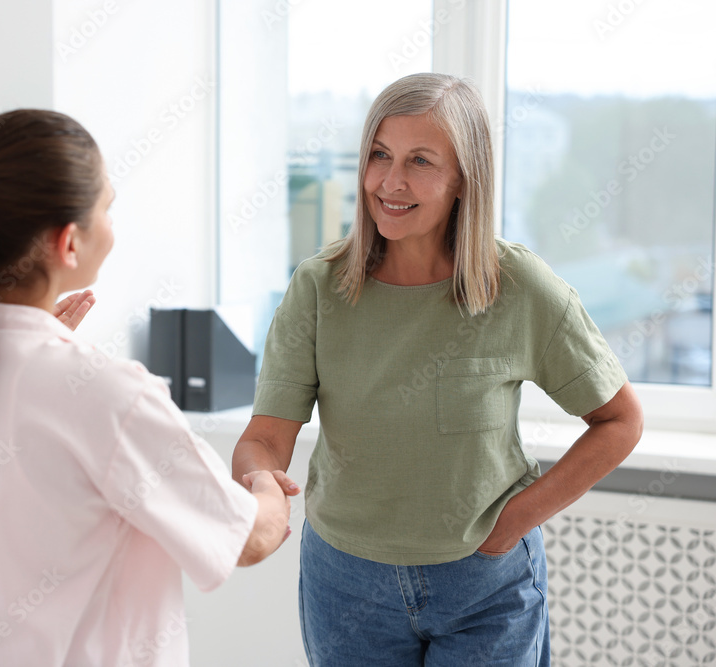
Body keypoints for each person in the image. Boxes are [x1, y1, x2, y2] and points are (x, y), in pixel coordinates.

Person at [232, 73, 644, 665]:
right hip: (346, 583)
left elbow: (620, 421)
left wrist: (513, 524)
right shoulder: (318, 287)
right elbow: (265, 438)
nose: (390, 182)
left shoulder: (518, 286)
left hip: (484, 586)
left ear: (463, 181)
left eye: (420, 161)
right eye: (380, 155)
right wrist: (261, 484)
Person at [0, 109, 291, 667]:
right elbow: (248, 539)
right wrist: (265, 485)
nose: (112, 224)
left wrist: (30, 362)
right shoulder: (103, 394)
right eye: (106, 207)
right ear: (67, 242)